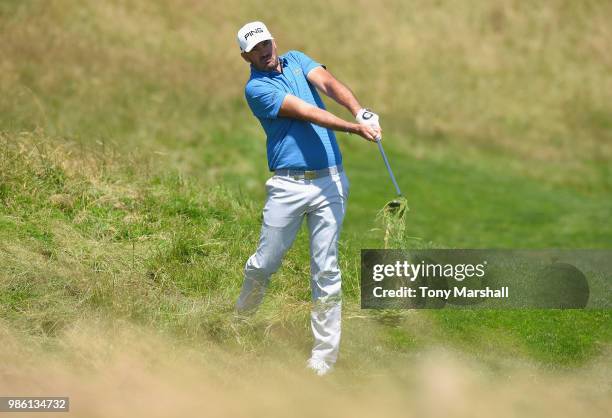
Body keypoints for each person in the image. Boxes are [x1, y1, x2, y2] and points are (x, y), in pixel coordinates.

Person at [234, 21, 382, 376]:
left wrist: (358, 110)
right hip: (288, 186)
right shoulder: (257, 89)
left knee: (326, 268)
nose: (265, 51)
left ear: (274, 40)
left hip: (331, 181)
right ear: (246, 56)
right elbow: (307, 111)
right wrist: (353, 128)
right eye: (256, 49)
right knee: (265, 262)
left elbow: (329, 85)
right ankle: (240, 319)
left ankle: (323, 357)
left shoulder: (298, 59)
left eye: (267, 43)